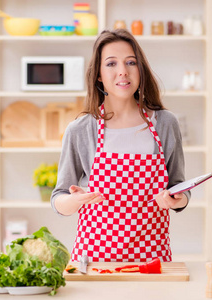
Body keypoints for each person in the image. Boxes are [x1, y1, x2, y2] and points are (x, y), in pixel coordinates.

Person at [51, 29, 190, 263]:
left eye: (130, 62)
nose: (122, 71)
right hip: (94, 260)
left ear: (140, 69)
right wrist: (76, 200)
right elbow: (59, 200)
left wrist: (177, 199)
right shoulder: (80, 130)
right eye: (111, 63)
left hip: (152, 259)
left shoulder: (165, 123)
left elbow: (180, 187)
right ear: (98, 75)